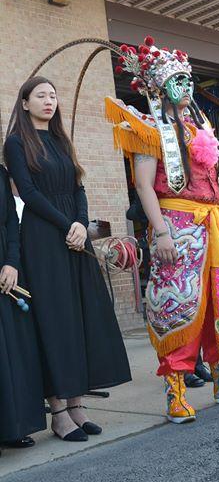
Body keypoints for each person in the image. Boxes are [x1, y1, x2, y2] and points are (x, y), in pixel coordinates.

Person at [105, 37, 219, 423]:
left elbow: (215, 183)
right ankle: (175, 389)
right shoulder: (146, 127)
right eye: (177, 81)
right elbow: (144, 185)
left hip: (213, 225)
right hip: (177, 225)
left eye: (187, 80)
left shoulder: (202, 126)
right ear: (159, 86)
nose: (186, 87)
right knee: (177, 302)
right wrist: (160, 232)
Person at [4, 77, 131, 442]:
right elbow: (27, 192)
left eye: (53, 96)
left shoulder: (61, 139)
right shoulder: (16, 143)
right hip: (43, 235)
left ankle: (78, 406)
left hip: (74, 234)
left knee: (80, 316)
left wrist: (80, 224)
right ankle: (59, 413)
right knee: (55, 320)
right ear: (25, 103)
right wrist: (67, 225)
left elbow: (78, 186)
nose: (49, 101)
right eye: (41, 96)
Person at [0, 163, 46, 453]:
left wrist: (12, 263)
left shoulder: (2, 174)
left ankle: (12, 427)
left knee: (12, 353)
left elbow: (11, 225)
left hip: (5, 267)